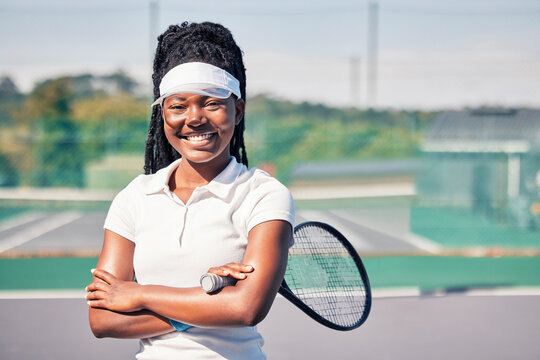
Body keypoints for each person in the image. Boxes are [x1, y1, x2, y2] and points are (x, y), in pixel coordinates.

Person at [85, 22, 295, 359]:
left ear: (237, 110)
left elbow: (246, 308)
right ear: (163, 114)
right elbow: (103, 319)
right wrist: (208, 299)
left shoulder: (264, 194)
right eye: (178, 106)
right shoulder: (134, 197)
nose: (194, 118)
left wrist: (139, 294)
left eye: (211, 103)